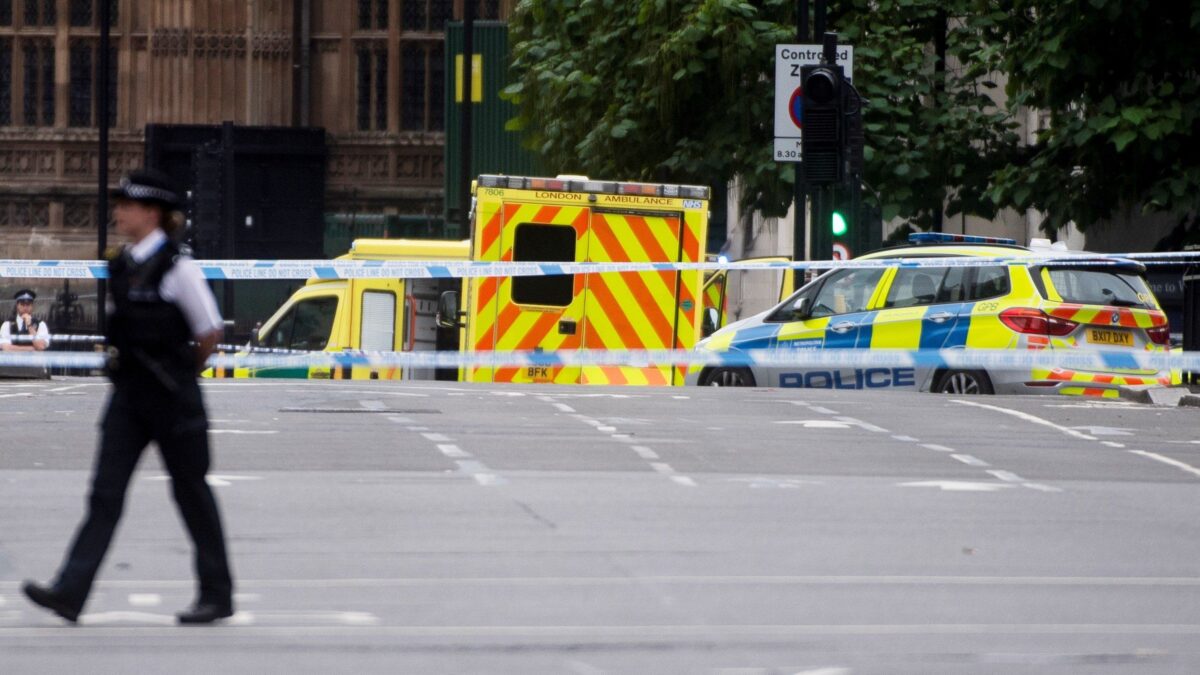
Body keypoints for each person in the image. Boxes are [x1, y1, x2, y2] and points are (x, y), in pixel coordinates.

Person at [23, 169, 235, 625]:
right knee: (104, 494)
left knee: (191, 494)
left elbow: (209, 331)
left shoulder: (178, 267)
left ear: (153, 214)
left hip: (173, 399)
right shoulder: (120, 264)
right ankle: (70, 592)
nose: (118, 211)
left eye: (128, 204)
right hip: (129, 399)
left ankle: (217, 593)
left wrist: (180, 375)